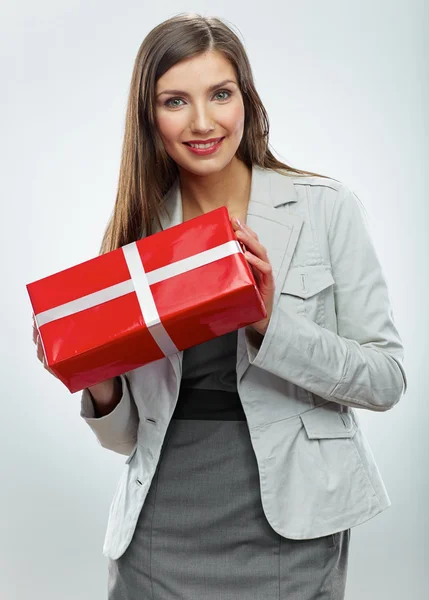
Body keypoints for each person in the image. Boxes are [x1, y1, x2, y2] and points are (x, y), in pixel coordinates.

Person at [33, 12, 407, 600]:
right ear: (148, 116)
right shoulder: (135, 235)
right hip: (159, 524)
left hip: (293, 524)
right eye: (175, 100)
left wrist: (267, 324)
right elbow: (128, 438)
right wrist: (96, 381)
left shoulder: (323, 208)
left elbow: (386, 380)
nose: (203, 122)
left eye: (221, 94)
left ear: (247, 102)